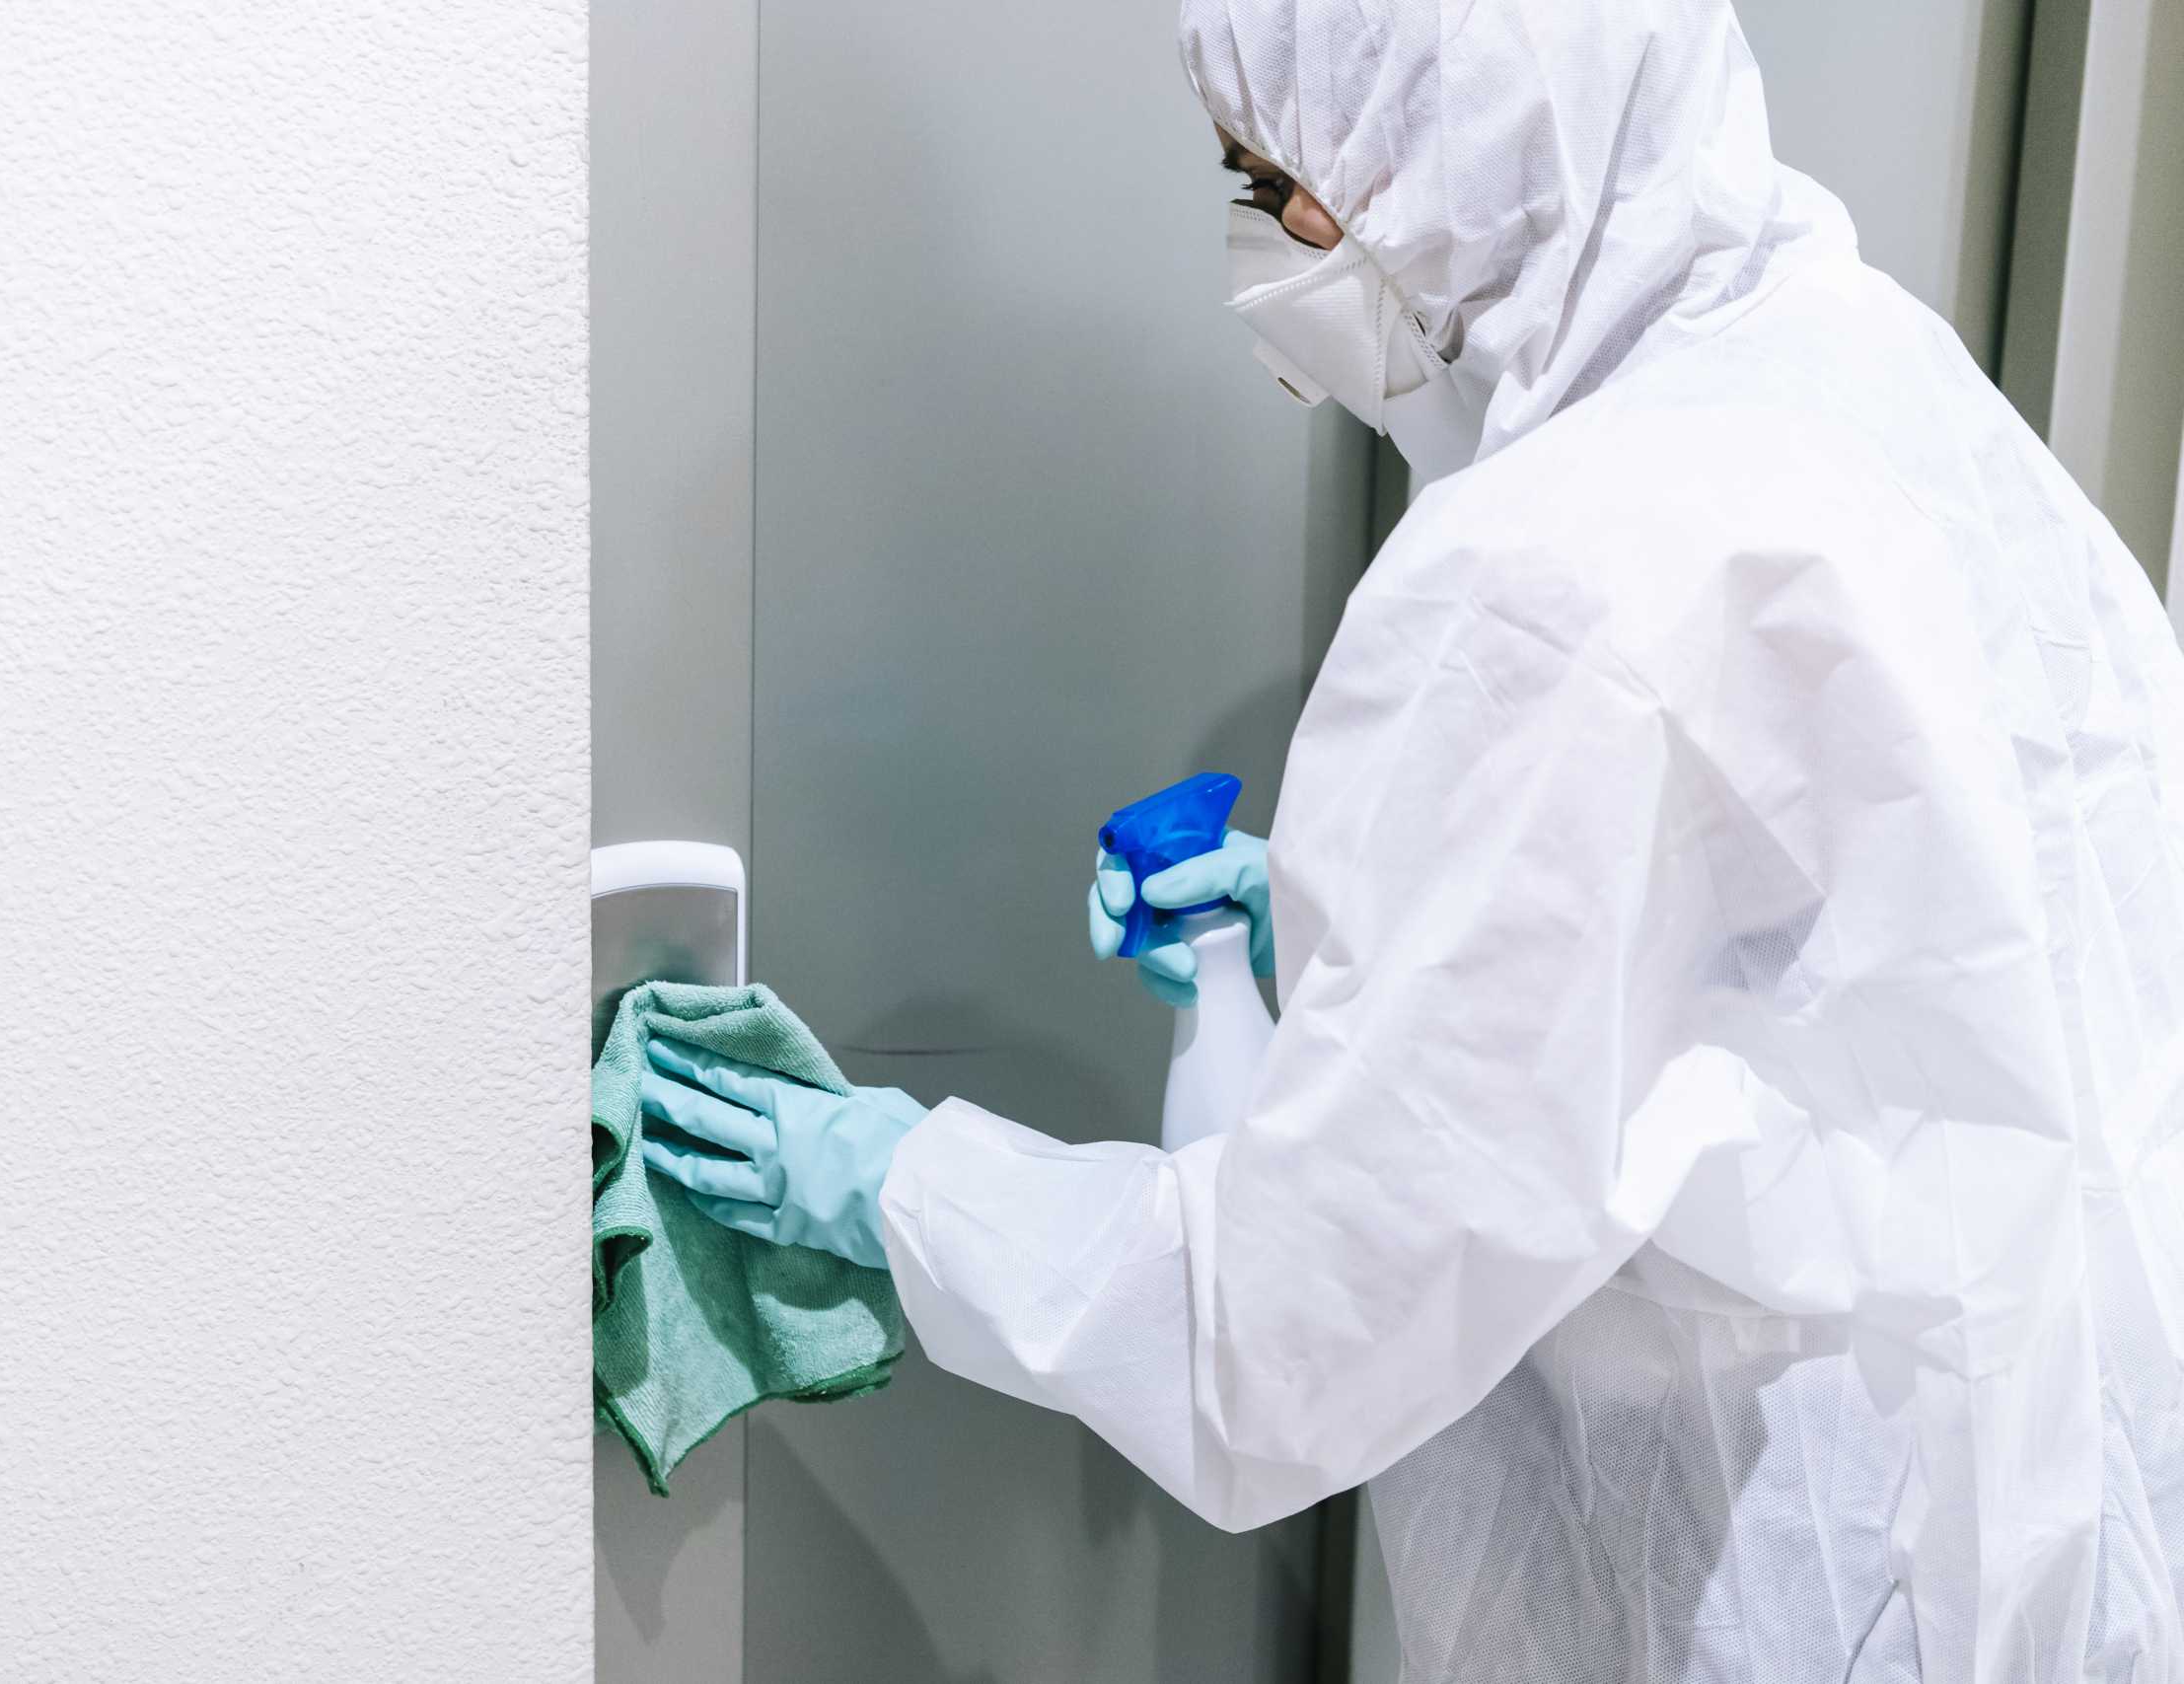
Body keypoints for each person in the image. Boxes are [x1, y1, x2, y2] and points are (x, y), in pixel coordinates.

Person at [634, 0, 2184, 1676]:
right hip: (2056, 1519)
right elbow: (1840, 975)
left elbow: (1278, 1337)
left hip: (1798, 1588)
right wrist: (1371, 964)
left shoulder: (1553, 569)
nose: (1251, 240)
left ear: (1470, 143)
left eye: (1271, 177)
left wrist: (893, 1182)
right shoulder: (1860, 366)